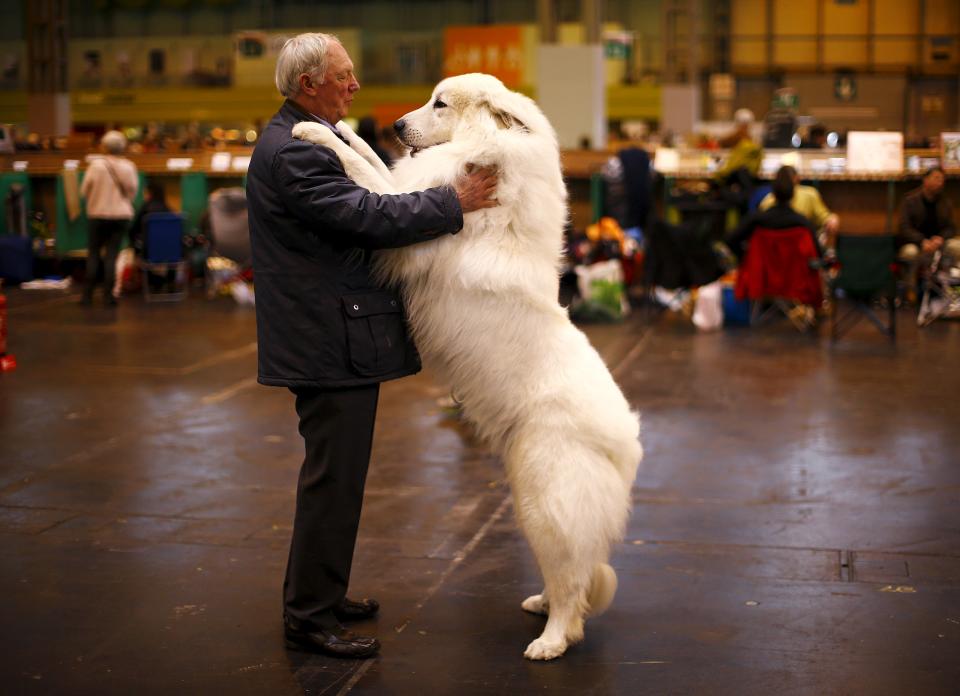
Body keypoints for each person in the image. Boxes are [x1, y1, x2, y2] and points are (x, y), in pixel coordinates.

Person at [246, 32, 497, 660]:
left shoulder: (316, 137)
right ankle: (308, 617)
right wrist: (453, 201)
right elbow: (366, 215)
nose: (355, 85)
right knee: (332, 483)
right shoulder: (297, 153)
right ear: (309, 85)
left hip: (336, 335)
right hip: (325, 341)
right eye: (344, 75)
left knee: (342, 480)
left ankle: (323, 595)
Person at [79, 130, 139, 306]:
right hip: (121, 216)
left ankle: (87, 296)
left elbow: (84, 191)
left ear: (104, 146)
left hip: (97, 214)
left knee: (94, 254)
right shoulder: (129, 166)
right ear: (123, 147)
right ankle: (108, 296)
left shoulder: (96, 166)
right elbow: (132, 193)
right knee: (112, 255)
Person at [727, 165, 821, 262]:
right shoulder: (804, 224)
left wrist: (747, 256)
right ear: (794, 193)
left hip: (763, 274)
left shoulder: (756, 220)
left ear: (773, 192)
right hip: (795, 274)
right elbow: (817, 254)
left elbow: (730, 240)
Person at [758, 165, 840, 249]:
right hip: (802, 254)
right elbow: (825, 218)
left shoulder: (765, 202)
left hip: (772, 253)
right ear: (797, 178)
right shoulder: (809, 197)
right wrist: (831, 218)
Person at [897, 166, 959, 269]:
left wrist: (940, 239)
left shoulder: (945, 202)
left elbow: (951, 227)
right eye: (936, 178)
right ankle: (911, 284)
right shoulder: (910, 201)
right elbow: (904, 228)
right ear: (925, 180)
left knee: (957, 247)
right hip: (915, 243)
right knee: (910, 253)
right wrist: (922, 241)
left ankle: (951, 282)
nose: (940, 183)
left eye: (942, 180)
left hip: (939, 243)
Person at [128, 180, 171, 256]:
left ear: (150, 193)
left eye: (145, 193)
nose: (144, 196)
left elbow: (133, 230)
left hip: (148, 251)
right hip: (169, 251)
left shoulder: (145, 208)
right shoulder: (168, 210)